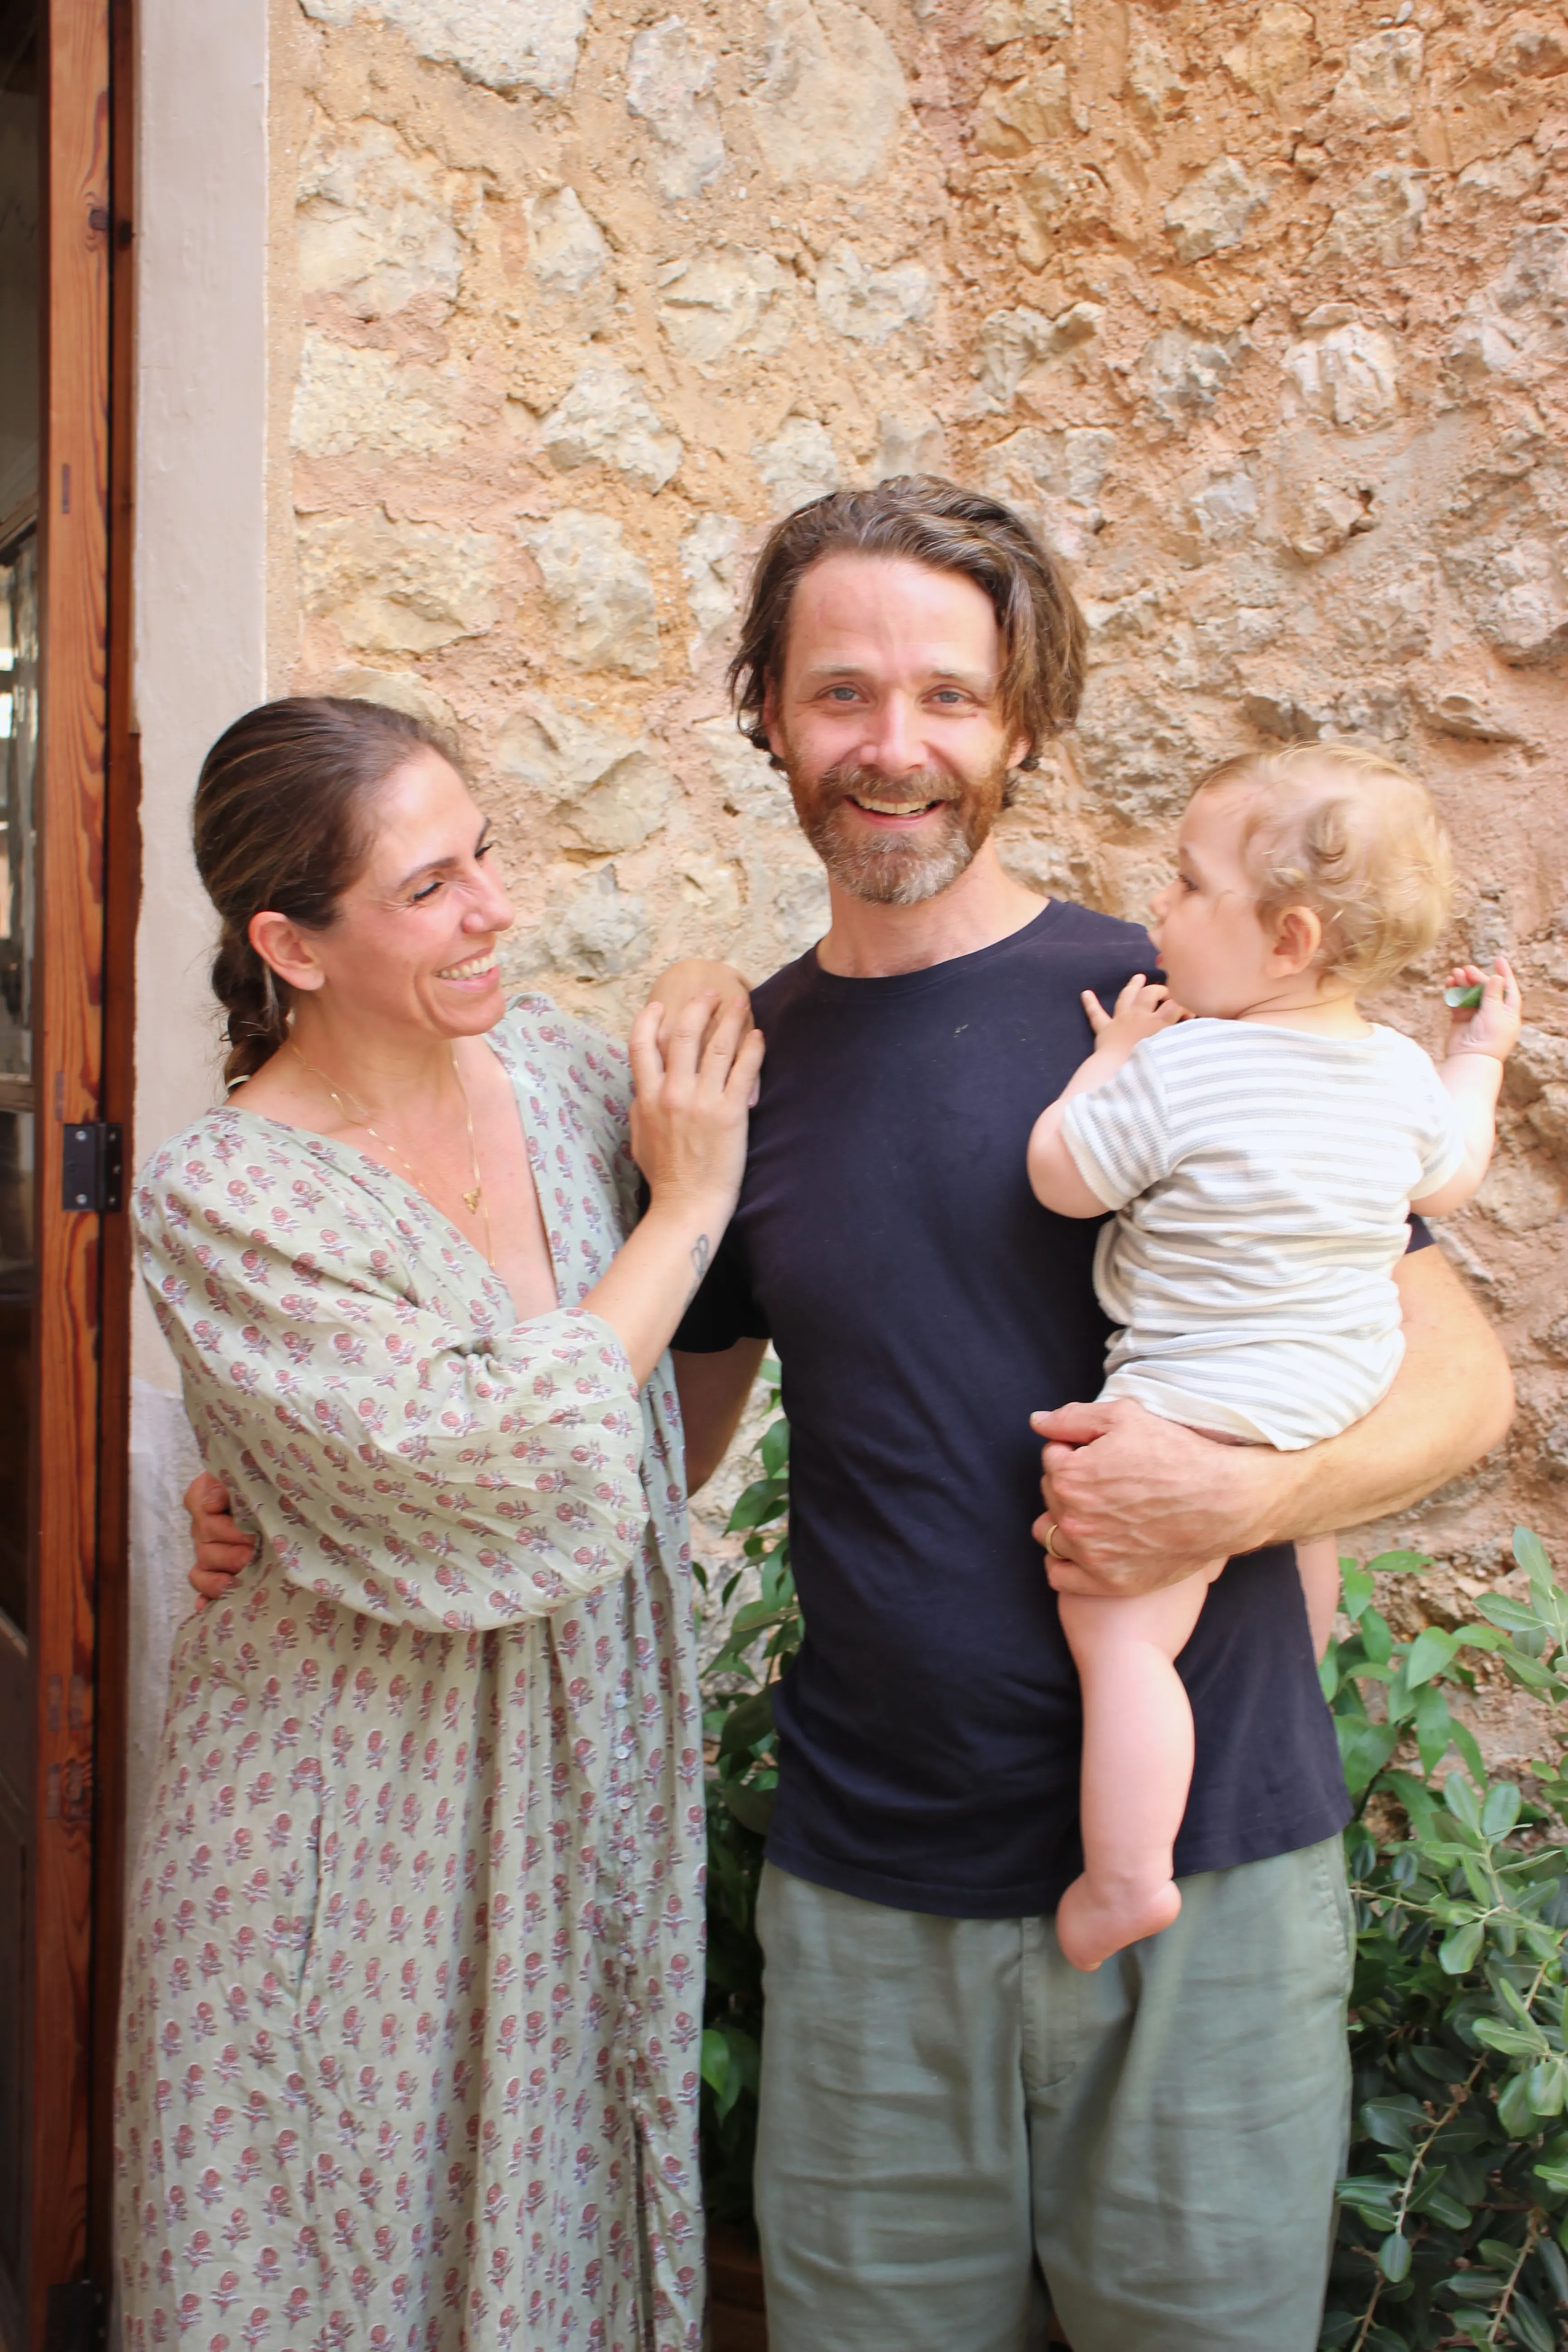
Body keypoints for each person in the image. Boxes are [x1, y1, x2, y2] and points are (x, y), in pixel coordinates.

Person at [189, 481, 1514, 2352]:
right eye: (841, 695)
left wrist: (1245, 1498)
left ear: (1021, 722)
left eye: (950, 699)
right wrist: (295, 1504)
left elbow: (1462, 1379)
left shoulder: (1178, 1014)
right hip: (868, 1909)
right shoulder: (740, 1071)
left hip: (1210, 1876)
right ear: (765, 712)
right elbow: (650, 1432)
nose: (896, 748)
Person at [118, 695, 762, 2352]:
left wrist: (699, 995)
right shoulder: (226, 1194)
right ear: (293, 944)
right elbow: (515, 1457)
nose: (492, 909)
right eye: (429, 888)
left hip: (577, 1781)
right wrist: (686, 1206)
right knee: (321, 2238)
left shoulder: (551, 1073)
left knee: (548, 2232)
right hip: (344, 1820)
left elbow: (662, 1367)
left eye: (483, 854)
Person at [1024, 744, 1522, 1972]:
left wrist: (1109, 1064)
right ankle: (1295, 1645)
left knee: (1124, 1640)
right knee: (1296, 1529)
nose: (1162, 910)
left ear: (1289, 938)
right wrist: (1481, 1056)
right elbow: (1453, 1174)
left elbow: (1061, 1178)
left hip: (1200, 1394)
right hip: (1335, 1391)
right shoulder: (1400, 1075)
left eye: (1189, 888)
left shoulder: (1188, 1063)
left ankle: (1126, 1878)